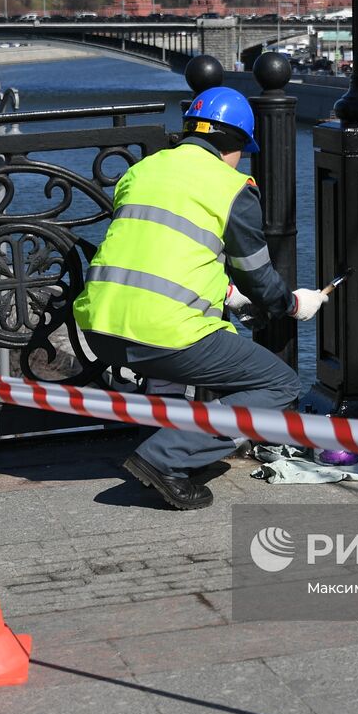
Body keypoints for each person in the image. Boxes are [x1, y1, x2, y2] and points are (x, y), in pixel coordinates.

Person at [73, 86, 326, 510]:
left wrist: (228, 295)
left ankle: (160, 441)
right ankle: (163, 459)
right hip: (164, 331)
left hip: (99, 327)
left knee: (170, 362)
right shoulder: (231, 187)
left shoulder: (144, 170)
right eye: (242, 150)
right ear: (234, 144)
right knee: (279, 384)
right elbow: (259, 275)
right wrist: (294, 305)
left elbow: (158, 252)